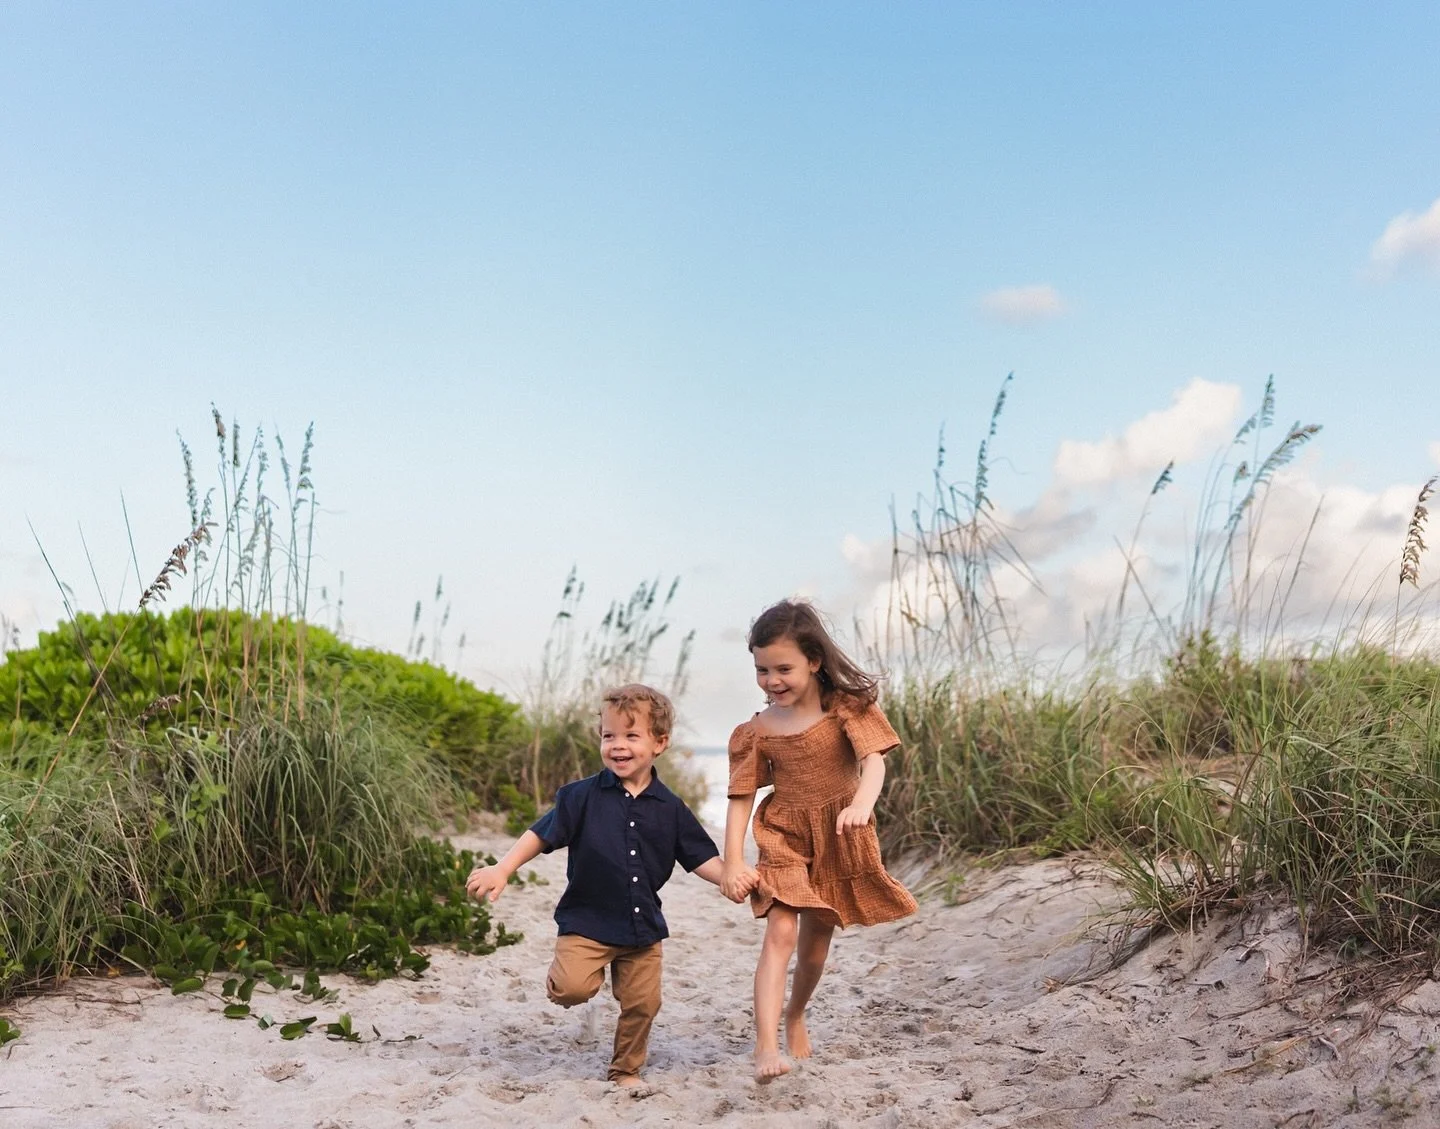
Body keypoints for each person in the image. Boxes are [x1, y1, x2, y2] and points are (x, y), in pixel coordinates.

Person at [466, 683, 731, 1087]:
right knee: (570, 990)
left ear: (659, 743)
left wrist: (731, 877)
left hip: (642, 928)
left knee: (644, 1004)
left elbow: (700, 857)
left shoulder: (672, 808)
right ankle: (574, 979)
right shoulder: (580, 797)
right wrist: (502, 869)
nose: (618, 745)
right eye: (609, 736)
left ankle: (625, 1070)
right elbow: (540, 834)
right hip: (587, 922)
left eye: (631, 735)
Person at [721, 599, 917, 1084]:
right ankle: (766, 1045)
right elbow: (741, 797)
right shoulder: (758, 731)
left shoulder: (846, 708)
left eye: (783, 669)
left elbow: (874, 761)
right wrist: (733, 861)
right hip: (784, 835)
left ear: (813, 660)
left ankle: (796, 1013)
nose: (772, 681)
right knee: (781, 933)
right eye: (762, 670)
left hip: (839, 835)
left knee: (813, 948)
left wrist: (862, 804)